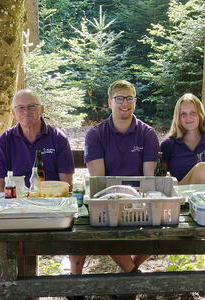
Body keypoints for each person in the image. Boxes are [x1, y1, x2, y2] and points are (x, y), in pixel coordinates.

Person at [69, 80, 159, 299]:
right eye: (119, 98)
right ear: (110, 102)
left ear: (135, 102)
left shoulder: (147, 133)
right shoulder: (96, 134)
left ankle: (127, 276)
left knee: (162, 235)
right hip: (107, 201)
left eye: (129, 98)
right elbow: (99, 181)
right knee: (102, 234)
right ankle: (132, 279)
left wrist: (135, 200)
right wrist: (118, 200)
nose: (124, 103)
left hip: (139, 201)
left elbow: (148, 179)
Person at [0, 89, 75, 294]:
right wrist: (4, 209)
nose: (26, 112)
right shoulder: (6, 140)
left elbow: (66, 184)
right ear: (13, 112)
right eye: (20, 108)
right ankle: (4, 286)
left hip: (50, 208)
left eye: (32, 106)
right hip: (16, 207)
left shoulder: (57, 138)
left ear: (41, 109)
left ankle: (31, 291)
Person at [160, 93, 205, 300]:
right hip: (181, 203)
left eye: (192, 113)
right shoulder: (169, 145)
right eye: (183, 114)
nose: (188, 118)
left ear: (200, 115)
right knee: (203, 168)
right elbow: (162, 182)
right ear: (177, 118)